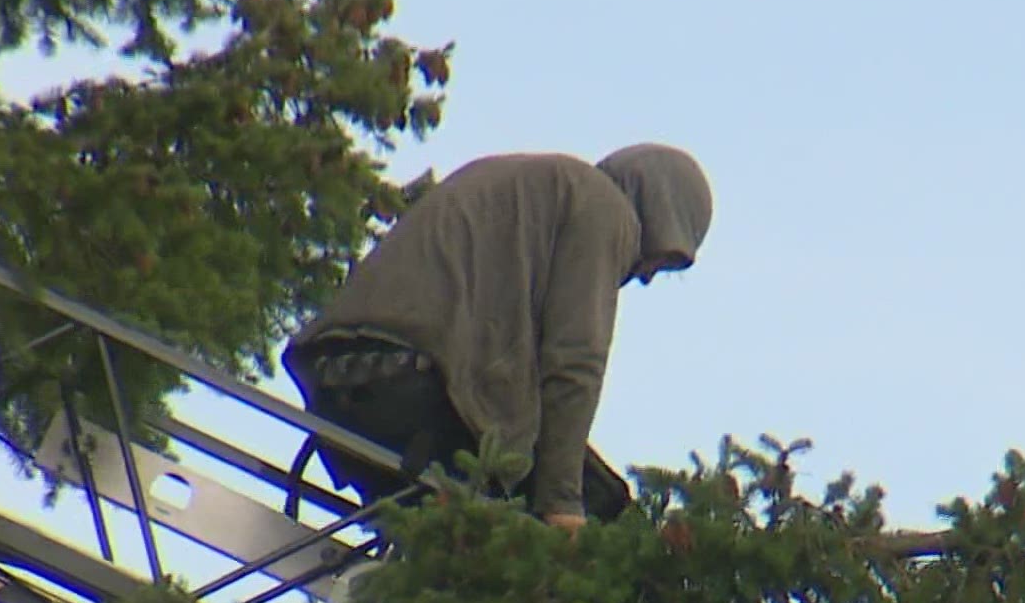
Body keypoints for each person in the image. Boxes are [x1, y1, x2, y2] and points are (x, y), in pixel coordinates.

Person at [283, 143, 713, 531]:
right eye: (659, 258)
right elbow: (574, 363)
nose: (647, 275)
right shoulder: (605, 208)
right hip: (414, 389)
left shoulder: (538, 188)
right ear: (659, 210)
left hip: (337, 380)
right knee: (606, 510)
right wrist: (563, 504)